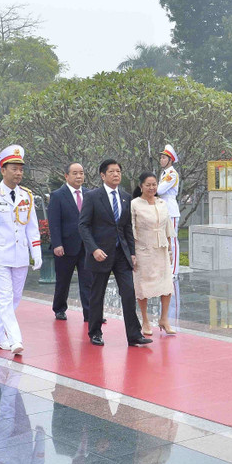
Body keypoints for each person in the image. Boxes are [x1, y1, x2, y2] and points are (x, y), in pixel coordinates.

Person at [0, 146, 42, 356]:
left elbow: (32, 226)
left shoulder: (27, 195)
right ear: (3, 170)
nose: (19, 173)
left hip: (20, 255)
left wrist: (36, 252)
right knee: (4, 298)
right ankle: (15, 339)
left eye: (21, 169)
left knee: (15, 299)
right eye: (14, 168)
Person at [78, 159, 151, 347]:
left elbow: (127, 227)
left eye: (118, 171)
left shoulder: (125, 197)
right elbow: (83, 226)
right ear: (103, 175)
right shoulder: (93, 196)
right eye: (112, 171)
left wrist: (132, 252)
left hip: (121, 253)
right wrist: (94, 249)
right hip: (100, 253)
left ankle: (134, 334)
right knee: (97, 294)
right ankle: (95, 332)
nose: (116, 174)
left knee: (128, 292)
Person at [131, 171, 176, 336]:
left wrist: (170, 249)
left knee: (166, 285)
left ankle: (164, 319)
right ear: (141, 186)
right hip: (143, 250)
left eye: (154, 185)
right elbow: (131, 229)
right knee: (144, 287)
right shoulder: (135, 204)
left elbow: (168, 228)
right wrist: (132, 253)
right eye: (148, 185)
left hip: (161, 250)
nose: (151, 188)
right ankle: (145, 320)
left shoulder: (162, 203)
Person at [48, 162, 92, 322]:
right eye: (75, 173)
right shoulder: (58, 195)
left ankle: (89, 312)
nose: (79, 176)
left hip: (86, 246)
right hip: (65, 246)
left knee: (88, 281)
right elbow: (54, 222)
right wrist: (57, 243)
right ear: (66, 176)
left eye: (81, 173)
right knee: (63, 280)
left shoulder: (89, 194)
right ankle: (59, 308)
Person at [156, 145, 181, 279]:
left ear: (170, 160)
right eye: (161, 157)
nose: (161, 160)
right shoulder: (164, 173)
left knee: (172, 241)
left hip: (171, 210)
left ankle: (174, 270)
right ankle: (166, 268)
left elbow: (160, 190)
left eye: (164, 157)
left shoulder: (172, 174)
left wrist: (153, 186)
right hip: (162, 208)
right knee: (164, 240)